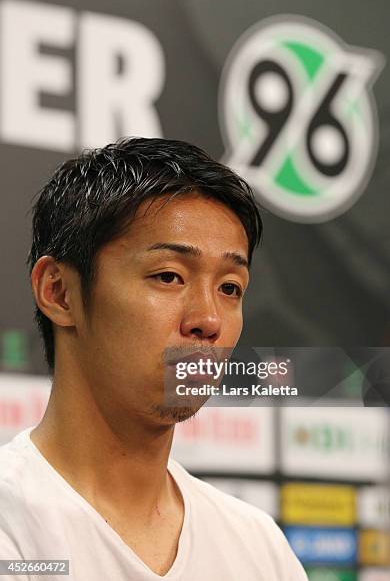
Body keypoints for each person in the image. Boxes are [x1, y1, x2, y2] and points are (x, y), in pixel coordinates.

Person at [0, 138, 307, 580]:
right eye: (169, 276)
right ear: (59, 292)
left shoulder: (258, 547)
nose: (208, 320)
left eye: (230, 288)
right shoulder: (13, 527)